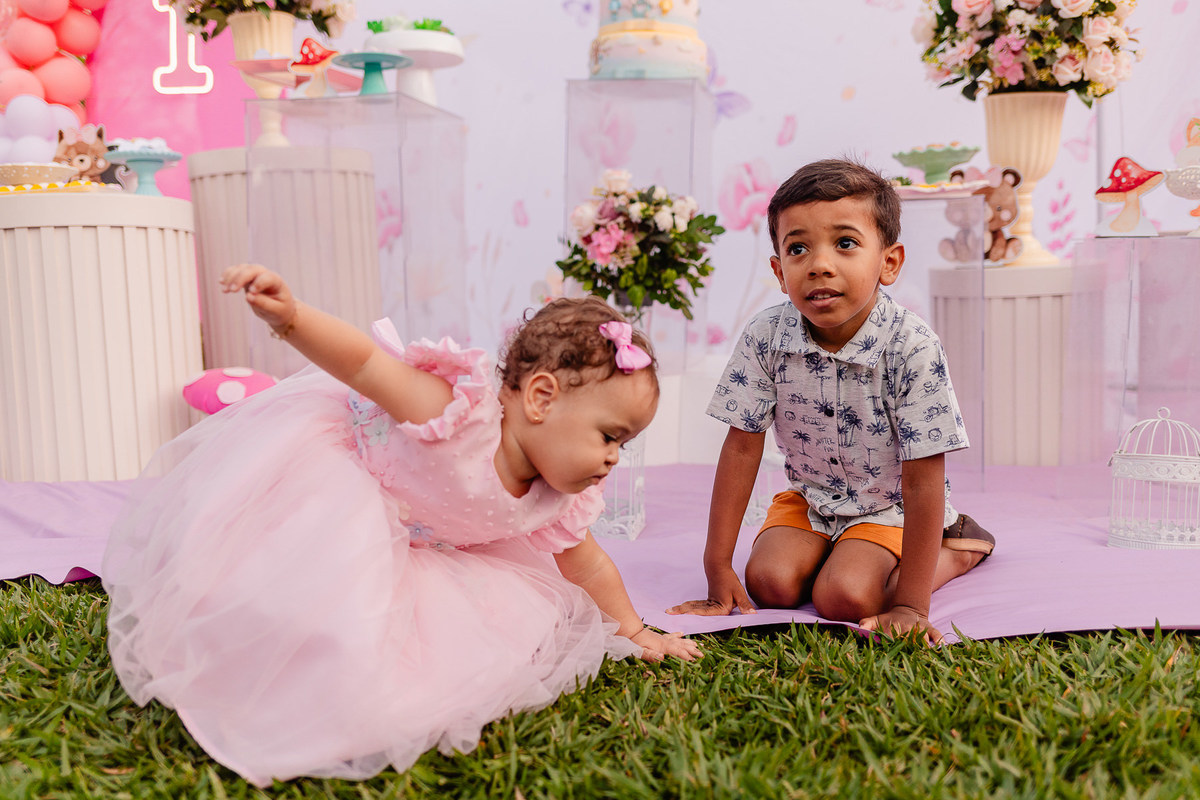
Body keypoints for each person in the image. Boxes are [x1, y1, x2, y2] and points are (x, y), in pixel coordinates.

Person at [102, 264, 700, 786]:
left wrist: (635, 632)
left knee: (434, 654)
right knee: (302, 598)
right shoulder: (454, 414)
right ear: (540, 397)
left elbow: (587, 564)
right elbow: (362, 363)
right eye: (609, 436)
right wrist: (290, 317)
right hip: (349, 493)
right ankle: (243, 399)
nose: (614, 458)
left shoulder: (560, 500)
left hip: (429, 541)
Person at [667, 158, 994, 644]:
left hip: (891, 507)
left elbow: (924, 479)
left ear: (889, 262)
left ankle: (961, 547)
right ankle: (831, 550)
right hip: (812, 498)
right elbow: (740, 448)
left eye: (845, 243)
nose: (820, 264)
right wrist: (717, 566)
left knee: (844, 597)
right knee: (769, 583)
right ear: (779, 271)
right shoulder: (765, 336)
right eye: (798, 248)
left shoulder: (912, 346)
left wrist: (909, 605)